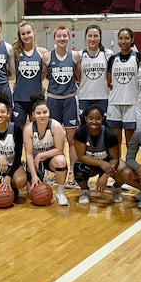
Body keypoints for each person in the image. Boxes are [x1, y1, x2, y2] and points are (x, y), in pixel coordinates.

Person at [42, 25, 82, 188]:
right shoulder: (46, 57)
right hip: (52, 100)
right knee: (51, 139)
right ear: (54, 38)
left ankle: (73, 173)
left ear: (68, 37)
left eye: (64, 36)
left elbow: (79, 76)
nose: (62, 39)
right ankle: (53, 172)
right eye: (59, 36)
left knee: (71, 139)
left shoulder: (74, 56)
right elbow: (44, 76)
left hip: (70, 99)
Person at [73, 105, 125, 205]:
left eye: (98, 119)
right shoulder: (81, 133)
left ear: (102, 119)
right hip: (91, 164)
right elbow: (81, 156)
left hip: (108, 164)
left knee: (123, 168)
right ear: (85, 119)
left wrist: (106, 175)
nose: (94, 122)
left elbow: (115, 158)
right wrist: (100, 163)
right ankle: (84, 191)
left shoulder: (109, 135)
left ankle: (117, 188)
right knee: (78, 167)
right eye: (91, 118)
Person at [23, 93, 69, 206]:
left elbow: (59, 149)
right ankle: (35, 174)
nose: (42, 115)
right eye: (38, 113)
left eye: (45, 112)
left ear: (49, 112)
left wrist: (41, 155)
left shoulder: (56, 126)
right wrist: (33, 175)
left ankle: (60, 193)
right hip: (35, 162)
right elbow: (28, 154)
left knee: (61, 161)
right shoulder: (28, 130)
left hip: (50, 158)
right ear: (33, 114)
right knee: (33, 193)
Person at [107, 28, 141, 150]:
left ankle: (130, 166)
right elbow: (109, 81)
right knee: (115, 142)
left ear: (132, 40)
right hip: (114, 103)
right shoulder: (112, 59)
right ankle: (117, 166)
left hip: (132, 102)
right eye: (121, 38)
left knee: (131, 143)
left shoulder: (139, 57)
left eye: (126, 38)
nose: (123, 41)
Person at [11, 21, 48, 128]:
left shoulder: (42, 52)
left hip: (36, 99)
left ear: (34, 33)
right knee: (18, 132)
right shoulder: (15, 52)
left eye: (28, 33)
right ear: (19, 36)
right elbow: (12, 72)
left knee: (37, 130)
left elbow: (44, 74)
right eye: (23, 34)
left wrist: (40, 84)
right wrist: (17, 81)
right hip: (19, 98)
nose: (26, 36)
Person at [78, 24, 114, 115]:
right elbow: (77, 77)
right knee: (84, 126)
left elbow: (110, 76)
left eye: (96, 36)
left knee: (102, 126)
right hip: (84, 97)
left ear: (100, 37)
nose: (92, 39)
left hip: (102, 97)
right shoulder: (79, 55)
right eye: (90, 36)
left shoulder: (108, 54)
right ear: (85, 37)